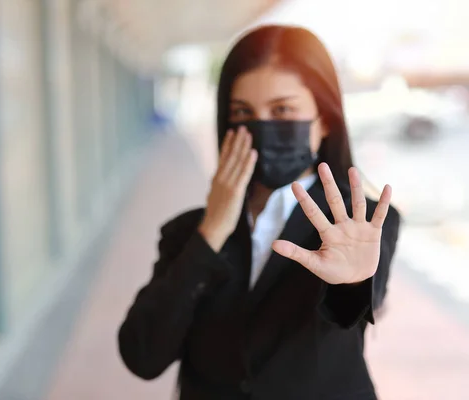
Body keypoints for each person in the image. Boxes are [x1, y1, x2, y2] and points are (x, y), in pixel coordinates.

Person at [117, 25, 401, 400]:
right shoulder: (187, 232)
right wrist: (210, 234)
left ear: (326, 120)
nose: (262, 126)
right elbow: (142, 355)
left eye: (282, 110)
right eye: (242, 112)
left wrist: (351, 283)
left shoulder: (359, 224)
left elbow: (353, 309)